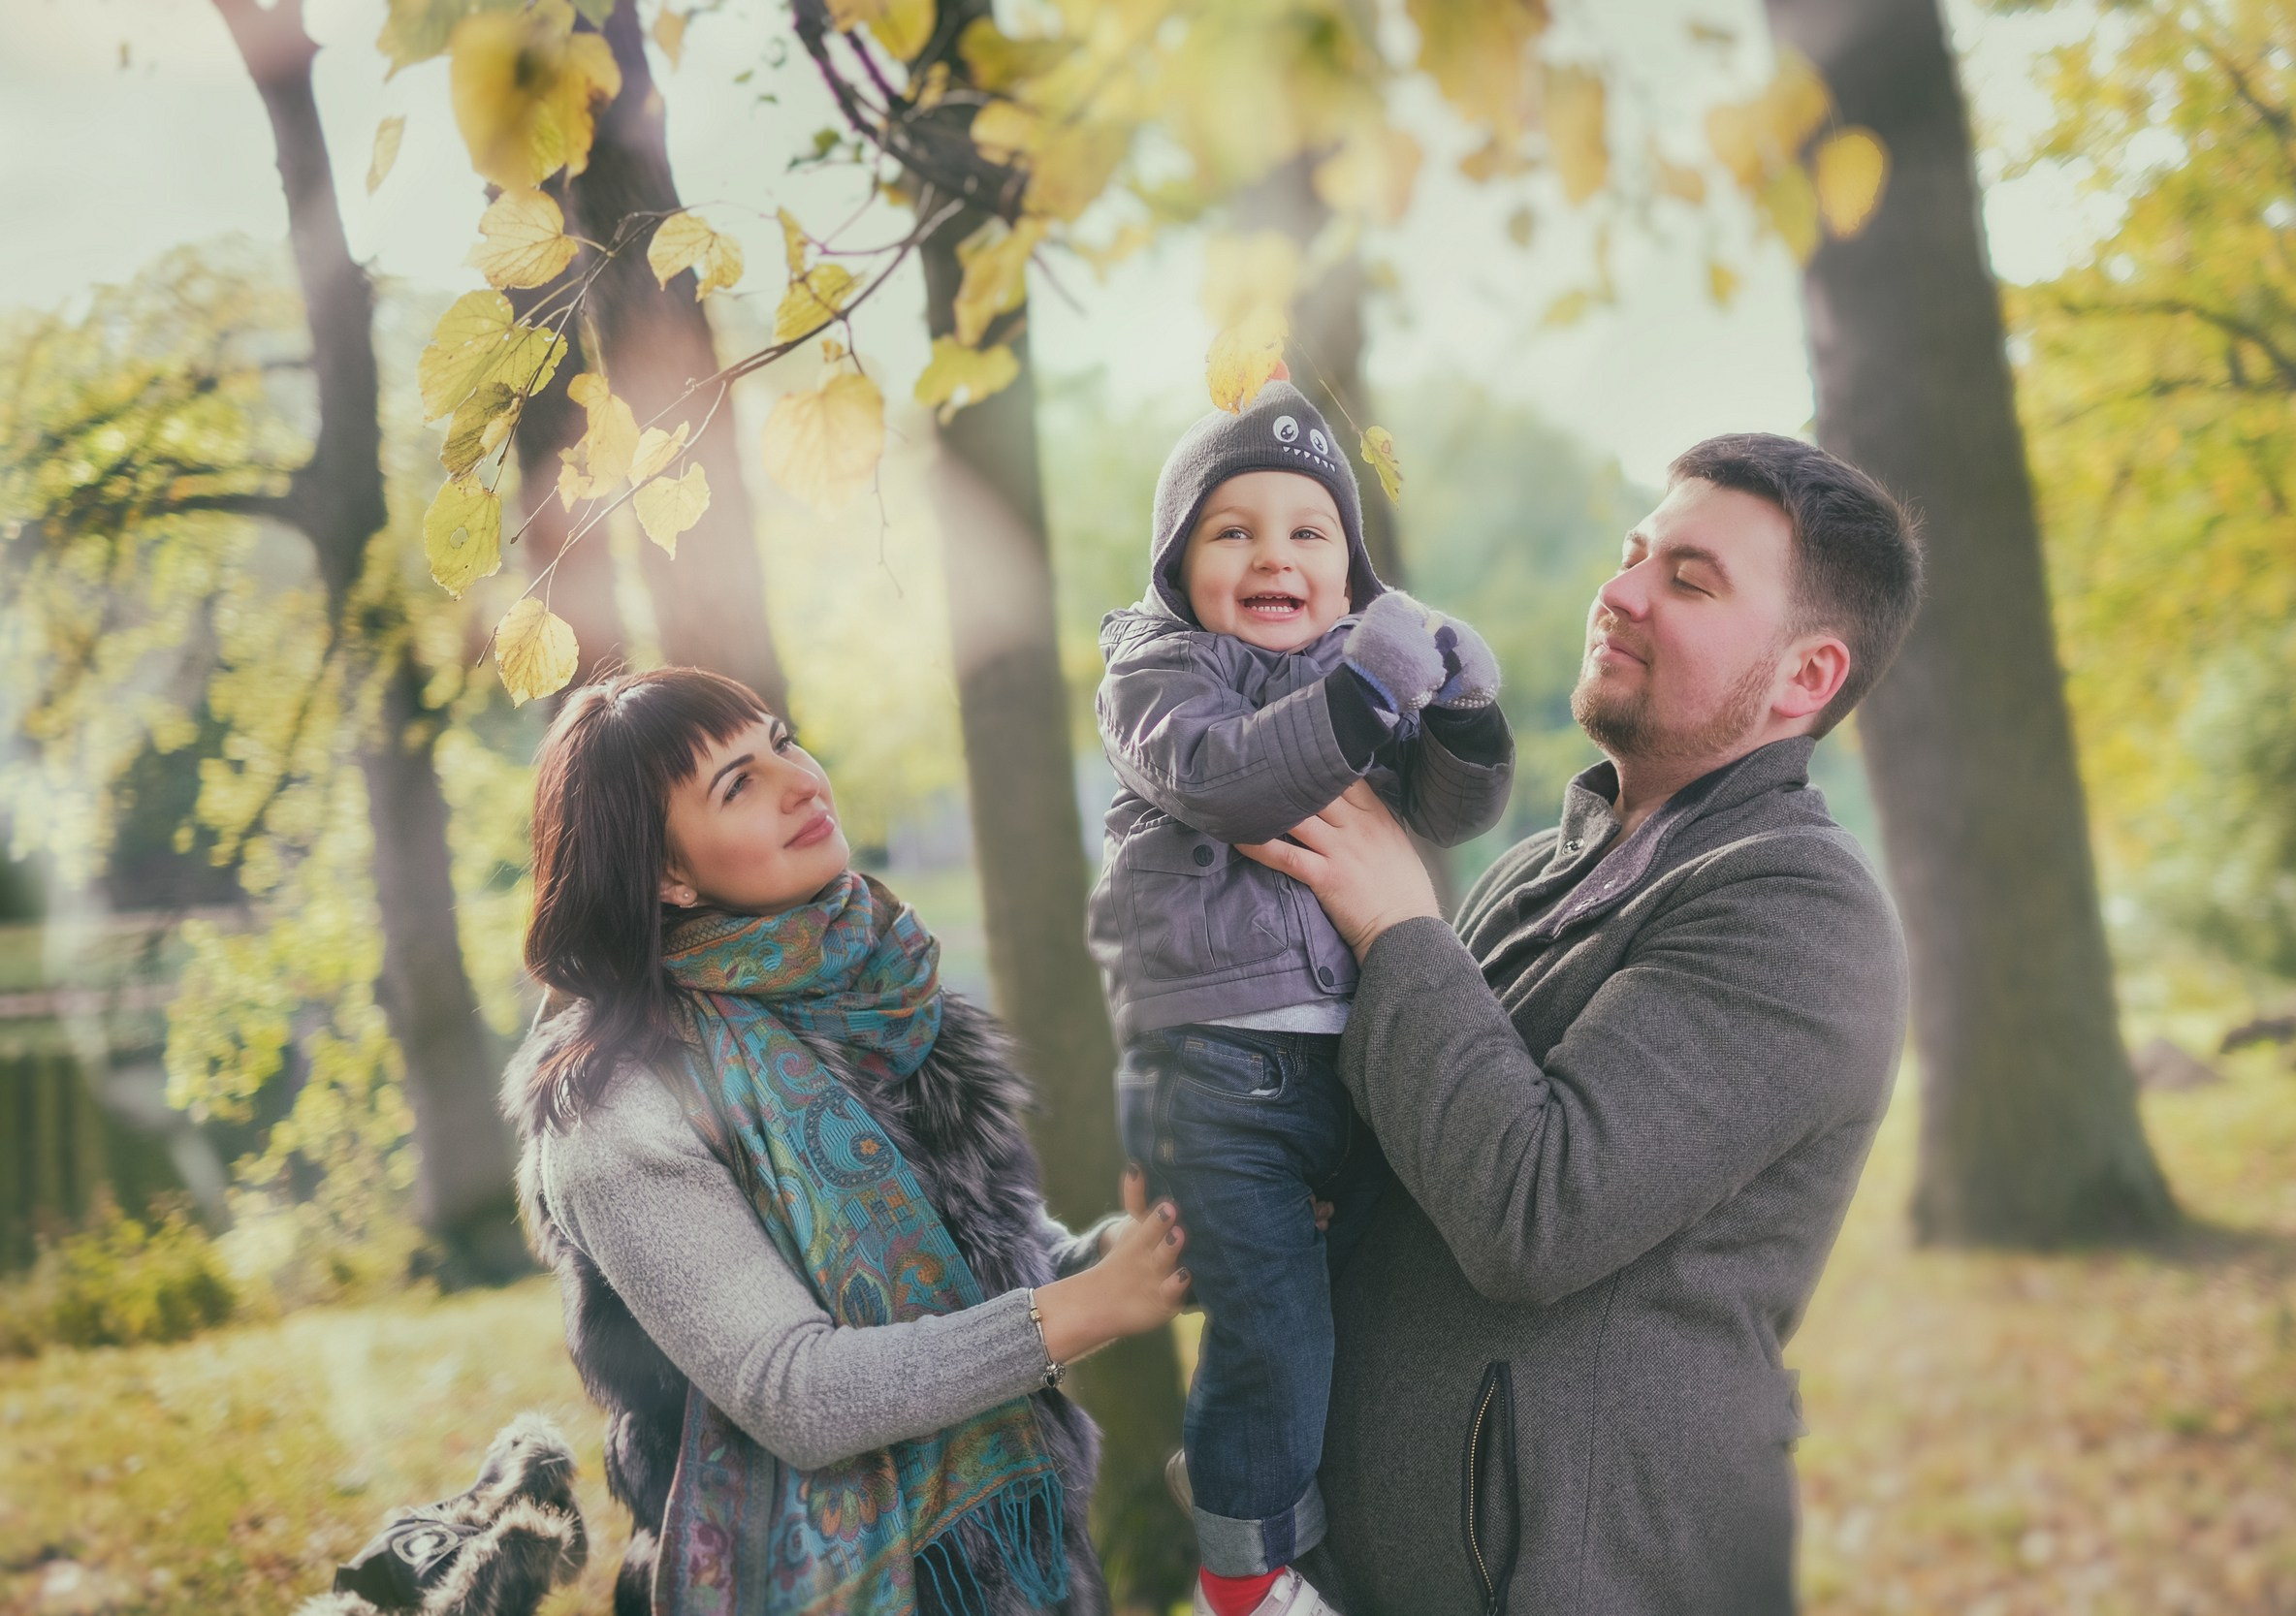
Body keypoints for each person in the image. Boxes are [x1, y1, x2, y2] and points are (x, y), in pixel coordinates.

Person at [1240, 434, 1923, 1614]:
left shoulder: (1802, 912)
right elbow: (1419, 1142)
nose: (1619, 591)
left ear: (1806, 675)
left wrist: (1397, 921)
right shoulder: (1531, 872)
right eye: (1632, 553)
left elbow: (1534, 1211)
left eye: (1688, 580)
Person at [504, 667, 1191, 1616]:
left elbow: (984, 1276)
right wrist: (1083, 1307)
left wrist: (1138, 1255)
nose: (799, 782)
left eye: (782, 742)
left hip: (1012, 1575)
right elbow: (796, 1392)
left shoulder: (876, 997)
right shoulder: (618, 1107)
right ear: (666, 874)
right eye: (737, 784)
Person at [1087, 378, 1515, 1616]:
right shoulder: (1156, 677)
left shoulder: (1354, 671)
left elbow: (1449, 811)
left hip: (1349, 1072)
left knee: (1367, 1310)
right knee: (1270, 1327)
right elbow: (1233, 778)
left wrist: (1463, 710)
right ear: (1178, 566)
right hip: (1214, 1078)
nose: (1274, 554)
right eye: (1233, 531)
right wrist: (1367, 691)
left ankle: (1341, 1522)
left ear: (1349, 573)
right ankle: (1245, 1567)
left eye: (1308, 531)